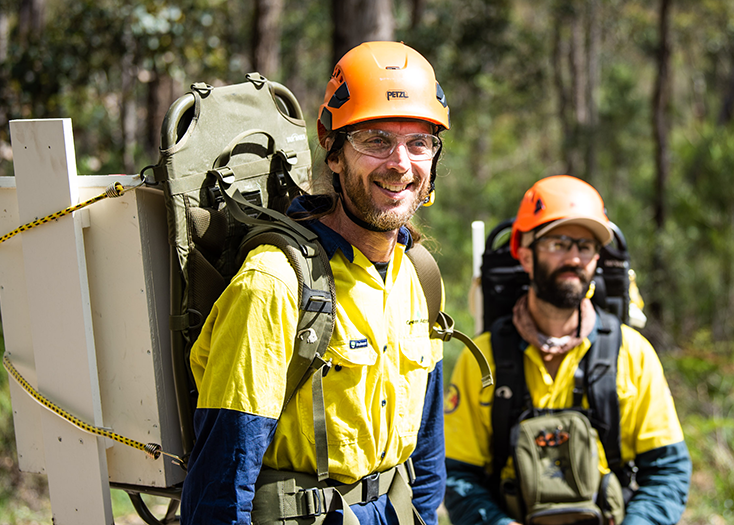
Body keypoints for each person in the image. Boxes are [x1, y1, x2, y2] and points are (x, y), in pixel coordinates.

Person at [180, 41, 451, 524]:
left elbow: (426, 459)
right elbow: (223, 478)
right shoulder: (274, 283)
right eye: (375, 140)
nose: (400, 163)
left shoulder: (418, 275)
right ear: (333, 152)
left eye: (419, 143)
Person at [443, 175, 691, 525]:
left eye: (586, 246)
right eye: (559, 243)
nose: (574, 258)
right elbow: (457, 476)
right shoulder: (481, 360)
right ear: (525, 255)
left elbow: (667, 470)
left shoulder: (632, 354)